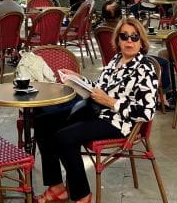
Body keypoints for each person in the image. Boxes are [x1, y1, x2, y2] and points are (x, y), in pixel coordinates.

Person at [34, 18, 157, 203]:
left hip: (120, 122)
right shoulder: (116, 59)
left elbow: (147, 111)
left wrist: (110, 102)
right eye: (124, 36)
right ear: (118, 40)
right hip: (96, 110)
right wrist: (80, 79)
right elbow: (99, 88)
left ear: (142, 41)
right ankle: (57, 186)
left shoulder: (145, 68)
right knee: (43, 121)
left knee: (65, 137)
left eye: (134, 37)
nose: (129, 41)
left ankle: (82, 196)